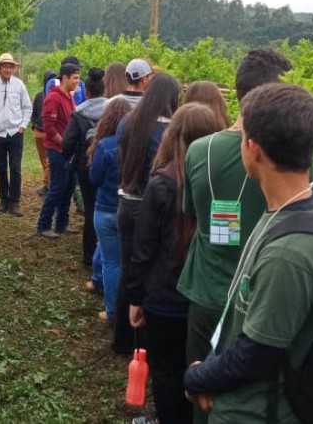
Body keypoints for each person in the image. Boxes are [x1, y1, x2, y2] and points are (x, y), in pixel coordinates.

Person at [184, 83, 313, 424]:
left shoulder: (290, 254)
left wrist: (199, 376)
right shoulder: (290, 210)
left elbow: (258, 352)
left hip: (255, 412)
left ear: (253, 148)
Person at [175, 49, 293, 424]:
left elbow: (190, 216)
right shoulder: (294, 157)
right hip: (266, 303)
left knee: (201, 394)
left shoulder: (199, 151)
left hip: (207, 295)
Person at [125, 103, 223, 424]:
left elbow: (144, 249)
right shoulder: (219, 185)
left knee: (165, 371)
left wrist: (136, 299)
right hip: (204, 297)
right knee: (200, 370)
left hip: (164, 298)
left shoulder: (162, 183)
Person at [113, 73, 181, 354]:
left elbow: (120, 157)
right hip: (148, 205)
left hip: (125, 202)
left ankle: (121, 339)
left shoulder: (129, 122)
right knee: (147, 271)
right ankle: (143, 339)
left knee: (128, 269)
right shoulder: (168, 130)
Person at [88, 99, 133, 321]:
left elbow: (93, 178)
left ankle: (113, 310)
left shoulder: (104, 145)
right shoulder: (137, 144)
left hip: (105, 209)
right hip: (130, 208)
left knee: (111, 261)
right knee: (127, 261)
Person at [62, 68, 106, 265]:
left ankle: (89, 255)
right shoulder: (114, 109)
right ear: (104, 91)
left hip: (86, 165)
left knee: (90, 209)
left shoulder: (78, 113)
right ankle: (105, 249)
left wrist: (70, 157)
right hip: (109, 164)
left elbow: (67, 143)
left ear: (86, 91)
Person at [0, 52, 33, 216]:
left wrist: (23, 125)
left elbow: (27, 107)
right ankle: (4, 200)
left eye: (11, 67)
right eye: (5, 67)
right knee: (1, 168)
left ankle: (15, 202)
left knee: (15, 168)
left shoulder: (19, 85)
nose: (8, 69)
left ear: (13, 69)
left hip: (15, 132)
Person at [36, 63, 80, 238]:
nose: (78, 81)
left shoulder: (69, 97)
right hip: (57, 151)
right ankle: (43, 224)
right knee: (57, 187)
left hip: (68, 151)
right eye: (75, 78)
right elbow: (50, 128)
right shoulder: (53, 98)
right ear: (65, 77)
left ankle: (62, 223)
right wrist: (65, 145)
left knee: (69, 187)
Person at [31, 69, 59, 196]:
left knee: (44, 160)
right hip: (49, 133)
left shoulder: (38, 95)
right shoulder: (56, 96)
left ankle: (47, 183)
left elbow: (33, 114)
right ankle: (47, 184)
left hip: (38, 132)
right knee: (49, 161)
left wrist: (34, 126)